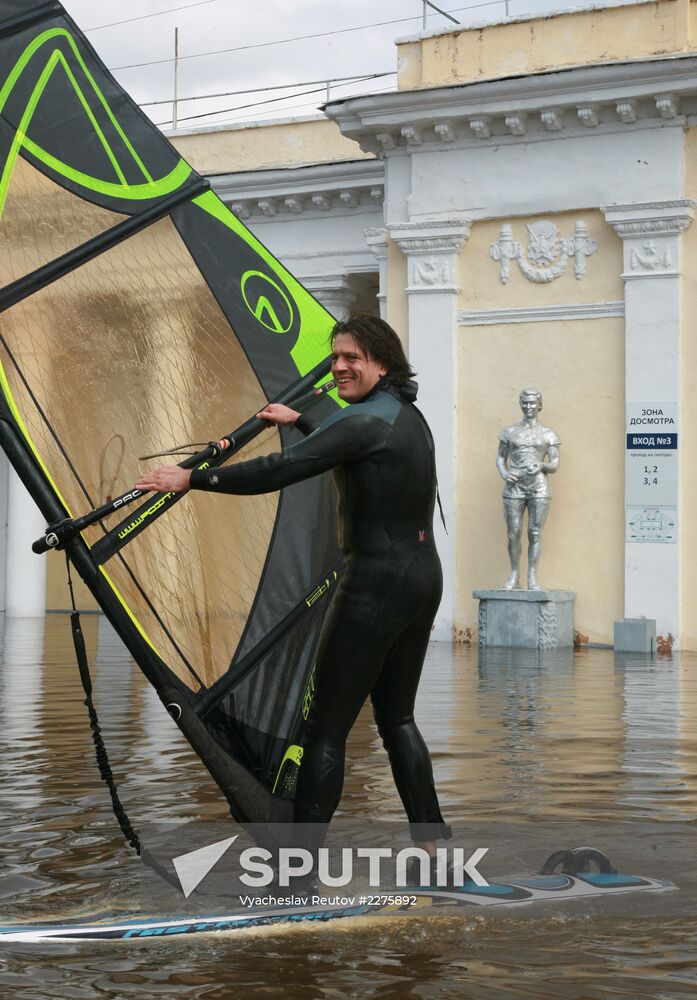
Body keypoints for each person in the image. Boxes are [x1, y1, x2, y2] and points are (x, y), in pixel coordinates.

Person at [135, 314, 451, 875]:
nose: (339, 366)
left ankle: (297, 871)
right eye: (335, 358)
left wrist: (193, 480)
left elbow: (282, 469)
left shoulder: (362, 421)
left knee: (325, 731)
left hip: (374, 587)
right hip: (421, 581)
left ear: (383, 361)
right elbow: (348, 448)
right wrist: (302, 418)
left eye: (352, 357)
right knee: (397, 719)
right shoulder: (405, 417)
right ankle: (433, 846)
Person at [496, 388, 560, 591]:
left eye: (532, 403)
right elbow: (500, 458)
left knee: (535, 533)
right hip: (514, 487)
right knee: (513, 533)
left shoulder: (548, 434)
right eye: (525, 402)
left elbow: (555, 464)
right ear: (520, 404)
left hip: (538, 488)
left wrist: (542, 465)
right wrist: (505, 474)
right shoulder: (509, 432)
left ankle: (532, 576)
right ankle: (514, 574)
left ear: (539, 405)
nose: (528, 406)